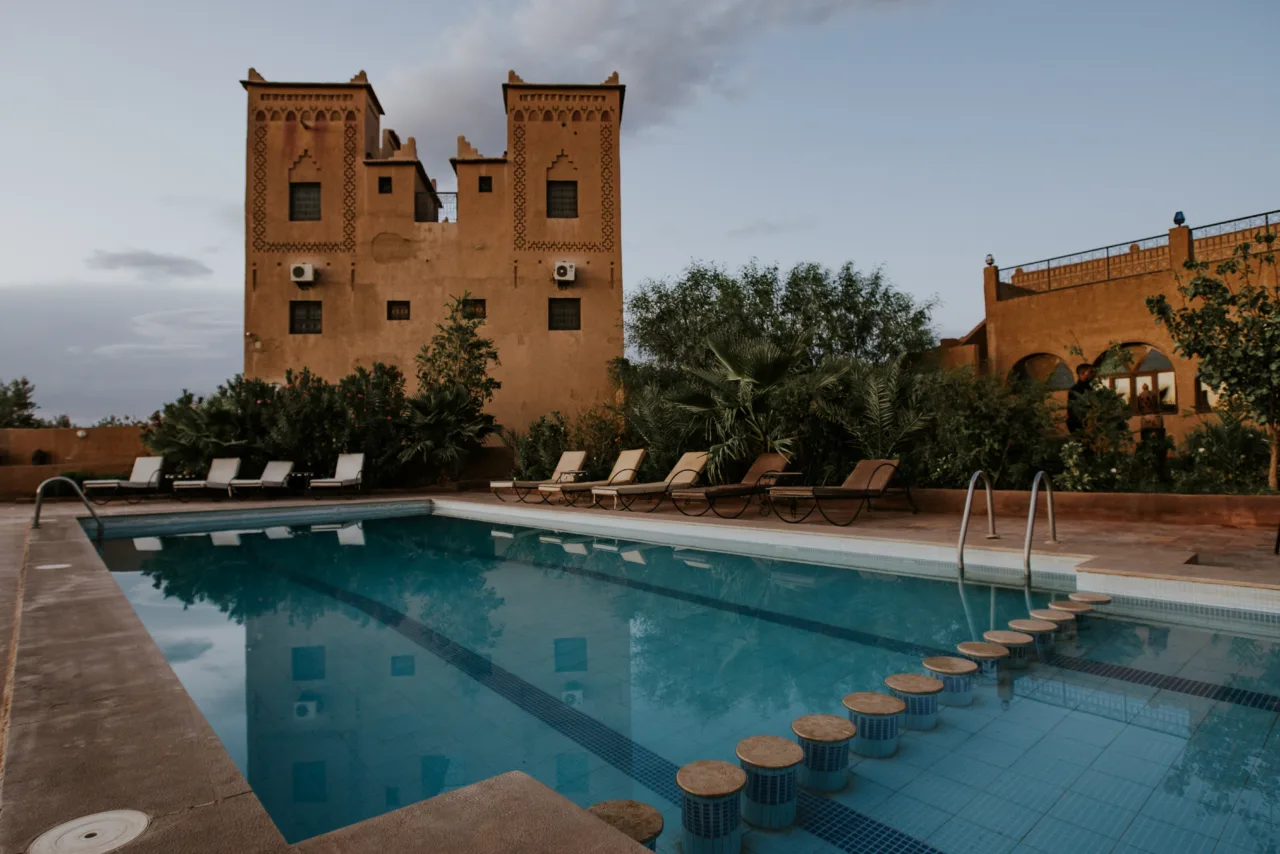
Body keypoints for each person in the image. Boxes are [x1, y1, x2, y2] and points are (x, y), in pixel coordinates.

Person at [1065, 363, 1096, 434]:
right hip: (1078, 422)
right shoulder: (1075, 389)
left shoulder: (1090, 388)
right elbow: (1072, 408)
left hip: (1086, 421)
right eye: (1090, 372)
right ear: (1082, 374)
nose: (1092, 375)